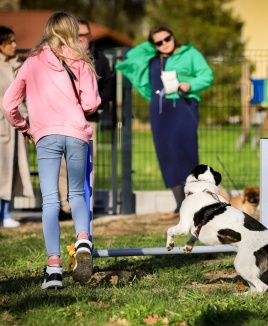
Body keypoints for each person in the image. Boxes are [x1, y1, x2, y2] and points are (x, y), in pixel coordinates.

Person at [2, 12, 101, 289]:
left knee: (50, 201)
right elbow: (92, 103)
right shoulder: (80, 59)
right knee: (77, 193)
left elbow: (9, 104)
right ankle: (83, 239)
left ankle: (54, 268)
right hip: (76, 132)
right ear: (71, 31)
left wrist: (25, 127)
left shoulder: (31, 62)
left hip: (45, 135)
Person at [116, 25, 214, 218]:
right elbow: (134, 55)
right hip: (160, 110)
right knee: (166, 155)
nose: (164, 44)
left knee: (186, 153)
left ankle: (195, 203)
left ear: (173, 36)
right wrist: (152, 46)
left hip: (184, 107)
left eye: (167, 39)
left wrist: (190, 84)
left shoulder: (190, 53)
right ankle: (180, 206)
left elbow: (207, 75)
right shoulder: (152, 57)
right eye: (158, 42)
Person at [58, 19, 114, 220]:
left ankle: (85, 205)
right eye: (79, 35)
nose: (83, 39)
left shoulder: (100, 59)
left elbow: (108, 85)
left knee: (88, 162)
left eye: (86, 35)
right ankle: (66, 207)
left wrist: (97, 103)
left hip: (90, 120)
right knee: (64, 163)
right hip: (65, 119)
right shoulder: (62, 58)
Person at [0, 26, 34, 228]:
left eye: (15, 41)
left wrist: (27, 121)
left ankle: (5, 213)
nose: (15, 45)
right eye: (10, 41)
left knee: (10, 170)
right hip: (2, 127)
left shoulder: (18, 65)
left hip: (15, 127)